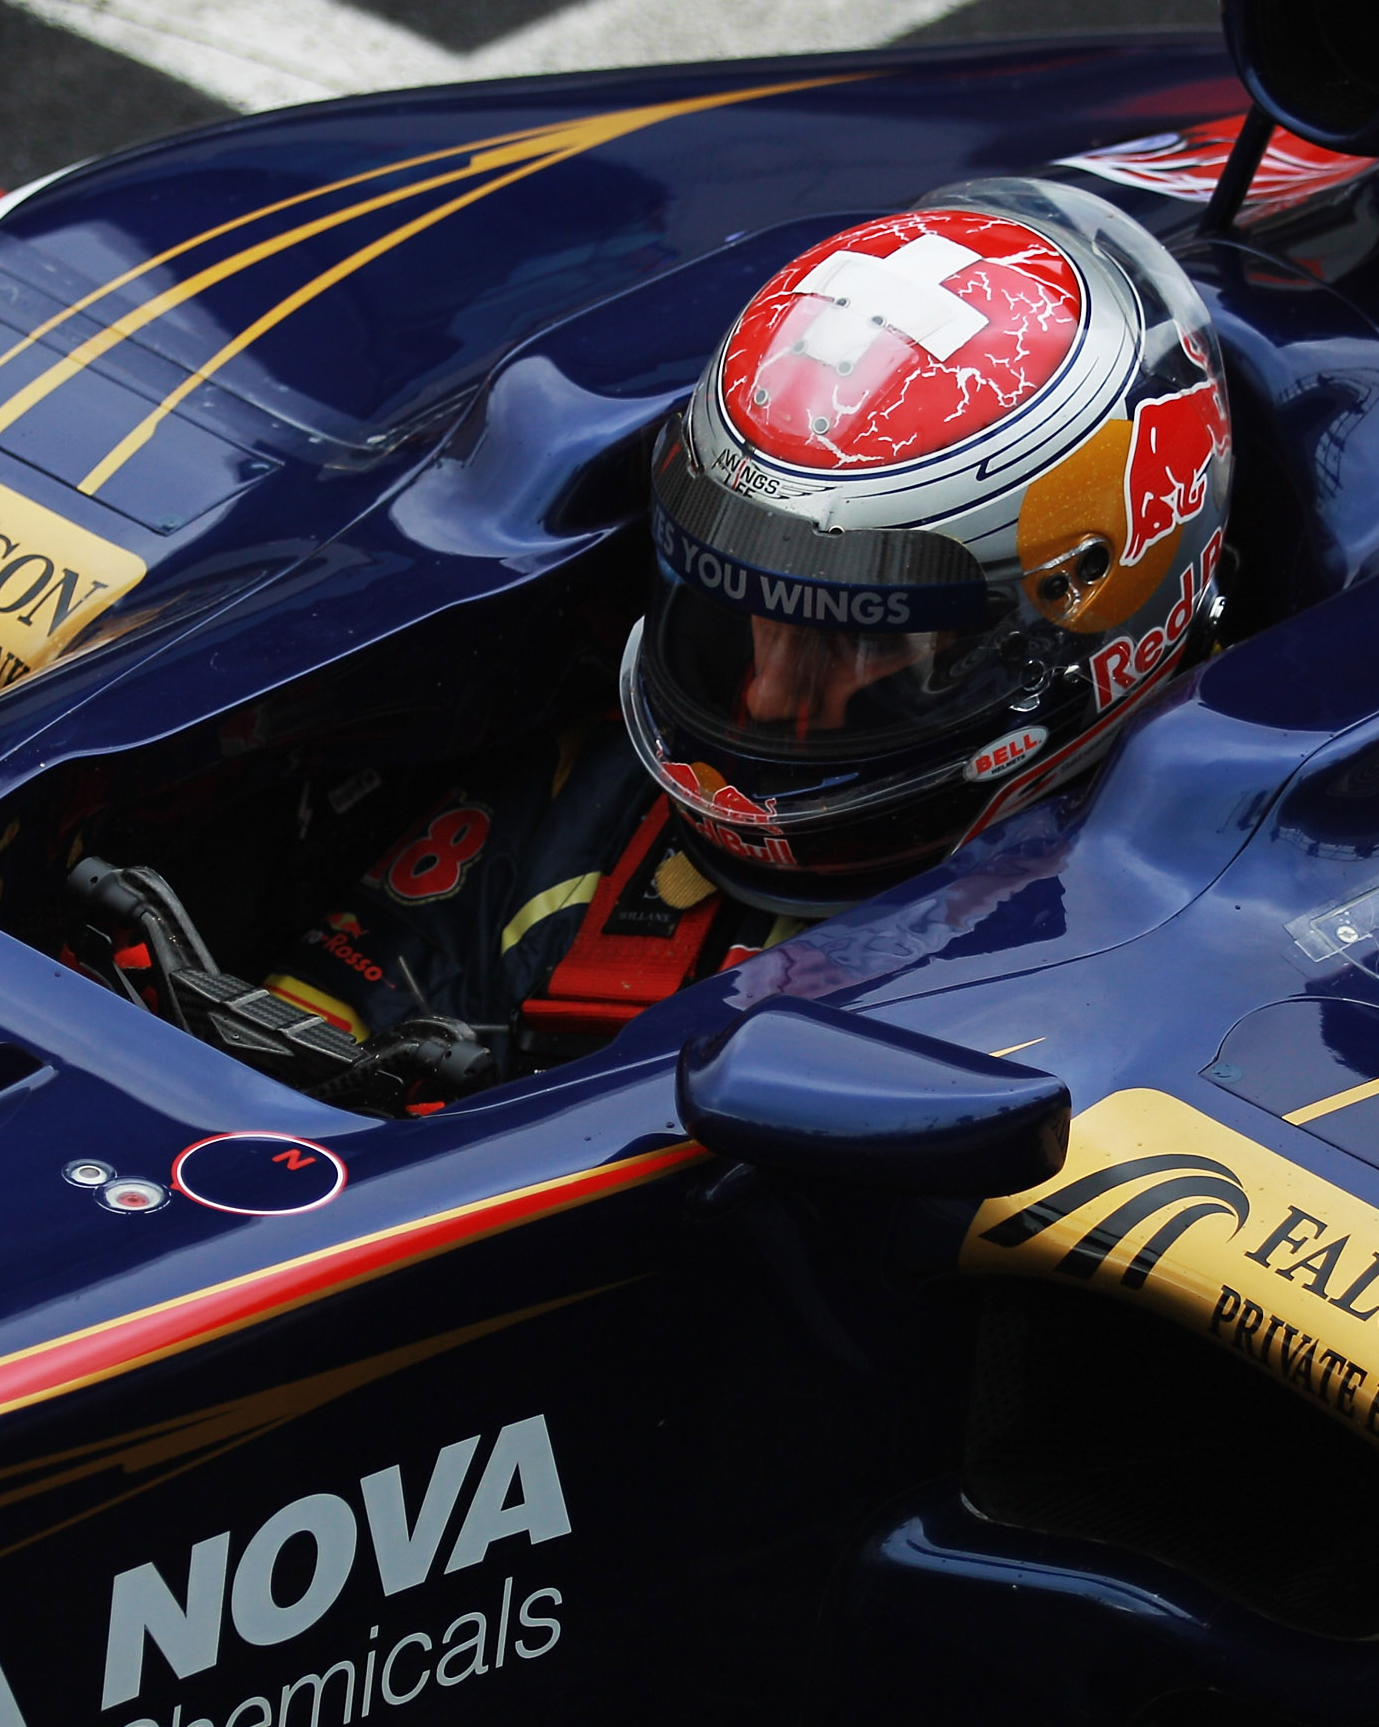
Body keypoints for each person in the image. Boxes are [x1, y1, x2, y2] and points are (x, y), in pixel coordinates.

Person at [252, 177, 1237, 1097]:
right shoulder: (579, 820)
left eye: (856, 642)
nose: (761, 692)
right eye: (745, 615)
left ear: (1074, 620)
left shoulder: (1186, 943)